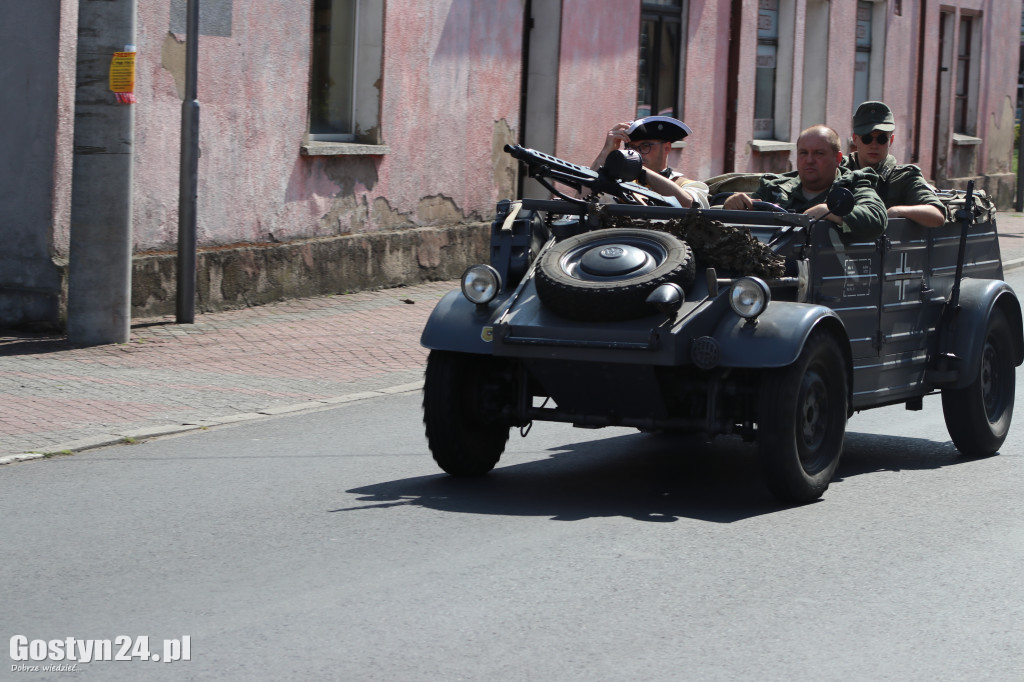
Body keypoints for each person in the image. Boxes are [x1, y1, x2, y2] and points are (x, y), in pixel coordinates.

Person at [722, 125, 887, 240]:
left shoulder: (854, 184)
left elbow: (876, 218)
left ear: (837, 158)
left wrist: (828, 211)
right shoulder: (774, 188)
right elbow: (747, 225)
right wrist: (733, 208)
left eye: (818, 153)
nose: (809, 160)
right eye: (803, 153)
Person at [842, 101, 947, 227]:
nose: (874, 145)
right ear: (855, 139)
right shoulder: (840, 170)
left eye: (882, 139)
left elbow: (936, 215)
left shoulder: (904, 177)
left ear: (891, 140)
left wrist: (896, 211)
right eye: (867, 138)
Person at [591, 116, 710, 208]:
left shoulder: (687, 185)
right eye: (632, 148)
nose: (637, 153)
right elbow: (583, 198)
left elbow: (691, 206)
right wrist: (605, 153)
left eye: (645, 146)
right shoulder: (618, 183)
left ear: (667, 148)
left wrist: (638, 168)